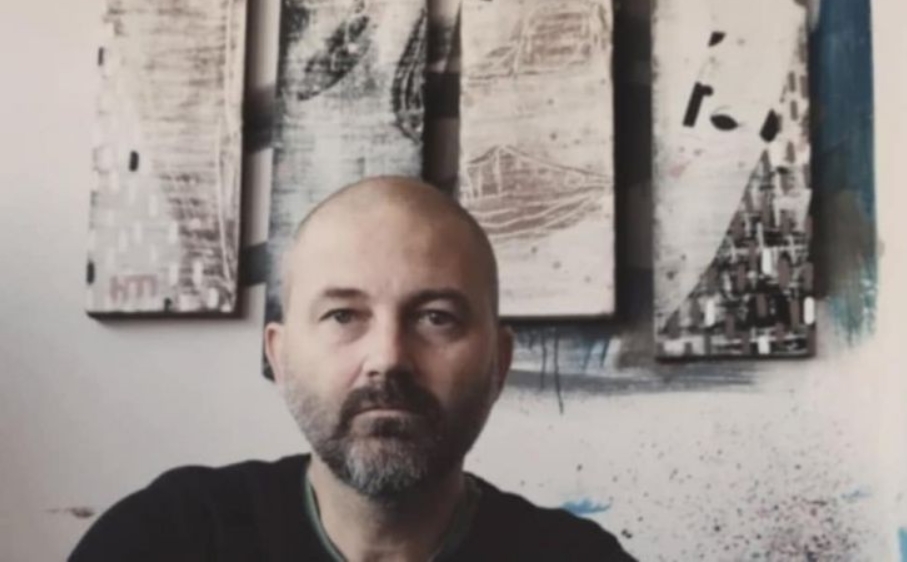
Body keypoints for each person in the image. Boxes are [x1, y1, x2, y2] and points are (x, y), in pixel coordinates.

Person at [70, 176, 635, 561]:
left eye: (436, 318)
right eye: (343, 315)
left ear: (499, 364)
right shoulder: (167, 538)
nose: (388, 357)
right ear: (279, 356)